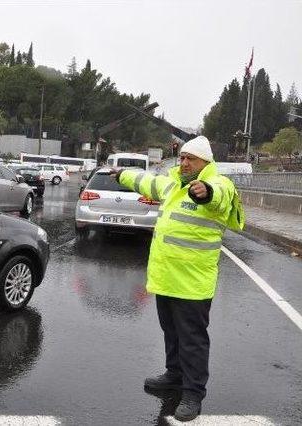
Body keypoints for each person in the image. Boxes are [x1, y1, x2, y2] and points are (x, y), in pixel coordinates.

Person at [111, 136, 244, 422]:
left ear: (206, 163)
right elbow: (146, 181)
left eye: (191, 159)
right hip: (167, 278)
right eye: (182, 157)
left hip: (193, 284)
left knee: (192, 340)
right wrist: (122, 174)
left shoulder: (218, 184)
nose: (184, 163)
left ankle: (193, 393)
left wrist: (205, 192)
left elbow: (219, 195)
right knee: (171, 332)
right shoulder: (173, 184)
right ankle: (174, 374)